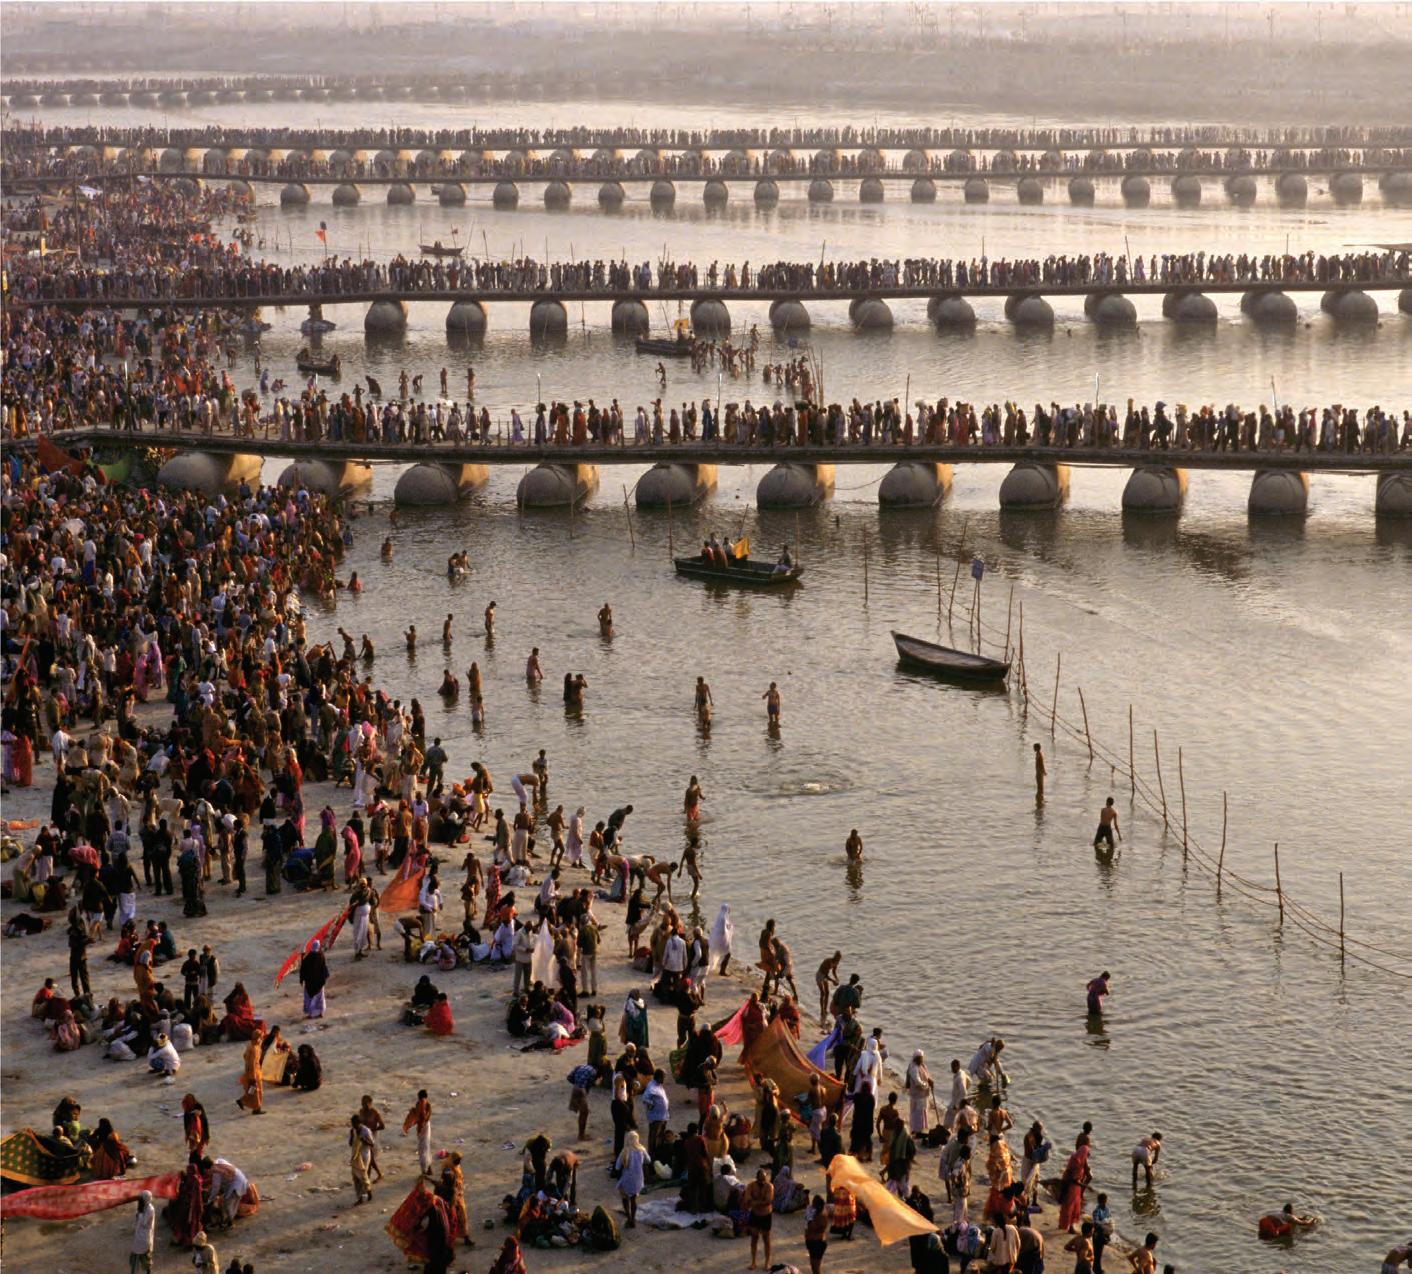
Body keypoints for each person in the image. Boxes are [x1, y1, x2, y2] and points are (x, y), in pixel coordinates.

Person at [742, 1166, 775, 1269]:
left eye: (764, 1179)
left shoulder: (769, 1186)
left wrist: (755, 1203)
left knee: (766, 1239)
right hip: (755, 1214)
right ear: (757, 1179)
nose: (762, 1182)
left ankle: (767, 1262)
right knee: (754, 1238)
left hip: (766, 1215)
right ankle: (753, 1262)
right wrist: (758, 1202)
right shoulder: (751, 1186)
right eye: (760, 1180)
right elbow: (747, 1199)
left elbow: (768, 1201)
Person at [615, 1129, 648, 1228]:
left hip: (626, 1179)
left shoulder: (625, 1151)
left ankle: (629, 1217)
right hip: (638, 1179)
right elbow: (648, 1160)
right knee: (633, 1200)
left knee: (625, 1198)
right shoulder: (642, 1150)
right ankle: (633, 1219)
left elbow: (617, 1167)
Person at [403, 1089, 433, 1175]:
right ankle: (428, 1169)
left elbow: (425, 1117)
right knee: (425, 1147)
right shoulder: (424, 1104)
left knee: (423, 1148)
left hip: (424, 1127)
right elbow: (420, 1116)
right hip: (423, 1127)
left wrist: (419, 1121)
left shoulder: (425, 1104)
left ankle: (424, 1171)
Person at [300, 940, 330, 1019]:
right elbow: (324, 968)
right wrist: (325, 977)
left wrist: (302, 956)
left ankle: (311, 1014)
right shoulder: (321, 956)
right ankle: (320, 1012)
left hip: (309, 983)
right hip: (319, 982)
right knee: (320, 998)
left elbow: (303, 968)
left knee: (310, 998)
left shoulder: (308, 958)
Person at [349, 1114, 374, 1204]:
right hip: (356, 1156)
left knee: (363, 1176)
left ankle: (367, 1192)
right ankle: (361, 1196)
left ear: (359, 1123)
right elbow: (350, 1144)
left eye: (354, 1123)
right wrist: (352, 1136)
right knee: (355, 1176)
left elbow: (372, 1144)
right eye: (352, 1123)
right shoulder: (353, 1131)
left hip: (365, 1155)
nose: (353, 1125)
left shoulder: (366, 1131)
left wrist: (363, 1140)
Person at [130, 1189, 156, 1273]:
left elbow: (144, 1222)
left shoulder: (150, 1209)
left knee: (146, 1258)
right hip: (139, 1237)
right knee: (135, 1258)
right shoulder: (144, 1207)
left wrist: (140, 1213)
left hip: (144, 1237)